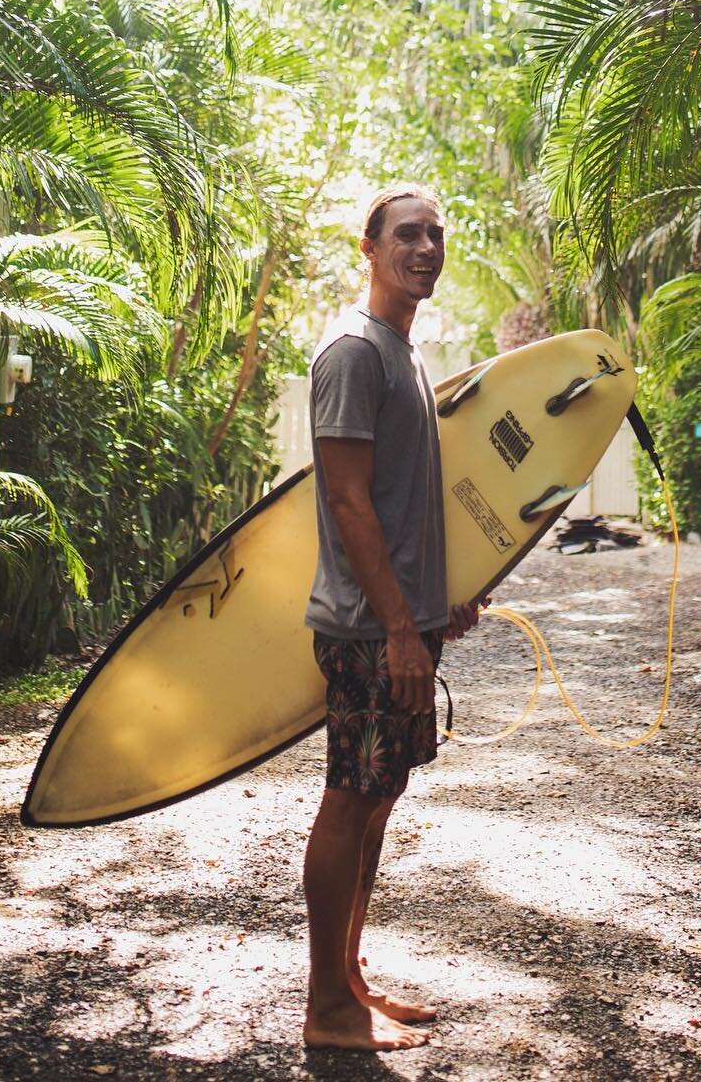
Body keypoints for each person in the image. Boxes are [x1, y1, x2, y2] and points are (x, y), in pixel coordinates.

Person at [301, 183, 481, 1053]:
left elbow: (405, 502)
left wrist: (445, 595)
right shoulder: (352, 353)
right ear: (367, 249)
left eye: (435, 234)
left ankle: (351, 981)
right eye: (407, 234)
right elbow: (347, 501)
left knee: (379, 798)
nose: (425, 247)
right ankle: (326, 1009)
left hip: (404, 622)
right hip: (370, 631)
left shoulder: (402, 352)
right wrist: (403, 629)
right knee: (351, 798)